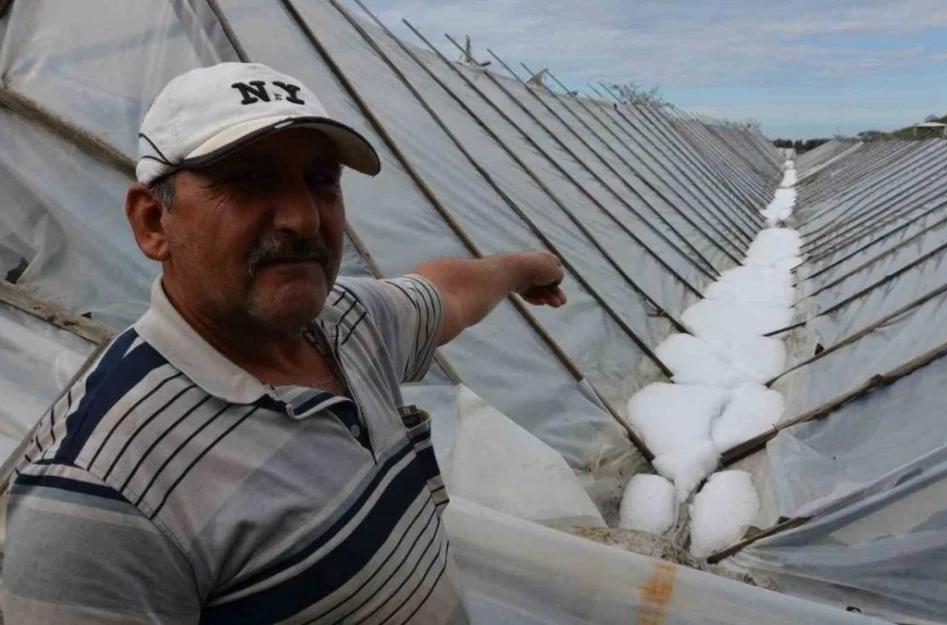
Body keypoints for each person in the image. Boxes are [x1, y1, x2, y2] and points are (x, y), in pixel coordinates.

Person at [1, 62, 566, 624]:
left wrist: (525, 268)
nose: (302, 218)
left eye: (321, 180)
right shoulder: (100, 492)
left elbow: (449, 291)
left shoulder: (350, 324)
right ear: (153, 222)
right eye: (248, 179)